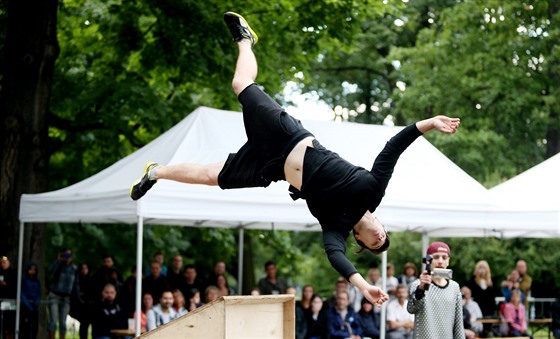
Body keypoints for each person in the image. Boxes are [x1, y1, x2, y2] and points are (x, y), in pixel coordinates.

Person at [129, 11, 460, 307]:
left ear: (358, 240)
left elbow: (335, 257)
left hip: (269, 166)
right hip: (289, 136)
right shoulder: (372, 190)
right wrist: (428, 123)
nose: (379, 239)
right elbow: (392, 149)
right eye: (384, 237)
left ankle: (156, 172)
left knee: (211, 177)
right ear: (380, 224)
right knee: (240, 83)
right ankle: (245, 40)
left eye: (375, 245)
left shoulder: (336, 226)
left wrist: (362, 285)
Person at [407, 241, 464, 339]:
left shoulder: (454, 287)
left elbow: (458, 324)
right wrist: (421, 289)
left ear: (448, 261)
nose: (440, 261)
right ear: (428, 261)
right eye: (436, 257)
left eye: (444, 257)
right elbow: (411, 309)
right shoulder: (418, 284)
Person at [47, 248, 80, 339]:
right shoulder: (58, 266)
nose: (67, 258)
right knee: (53, 321)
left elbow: (76, 284)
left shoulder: (74, 269)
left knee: (63, 322)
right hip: (54, 296)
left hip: (66, 298)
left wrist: (78, 298)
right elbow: (49, 272)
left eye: (69, 256)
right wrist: (58, 261)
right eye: (65, 255)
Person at [20, 261, 41, 339]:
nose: (32, 271)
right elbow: (22, 293)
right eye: (30, 269)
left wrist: (37, 302)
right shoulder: (24, 281)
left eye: (34, 270)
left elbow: (39, 293)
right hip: (26, 307)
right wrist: (28, 305)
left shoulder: (37, 282)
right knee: (26, 327)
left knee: (34, 327)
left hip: (34, 307)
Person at [76, 262, 96, 339]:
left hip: (91, 307)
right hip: (82, 308)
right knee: (84, 326)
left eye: (86, 268)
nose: (84, 270)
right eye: (82, 269)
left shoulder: (92, 280)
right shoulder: (77, 281)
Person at [0, 255, 17, 339]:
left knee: (10, 324)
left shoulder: (13, 273)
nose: (3, 264)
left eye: (5, 262)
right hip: (1, 301)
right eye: (1, 262)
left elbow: (15, 287)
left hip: (10, 302)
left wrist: (6, 284)